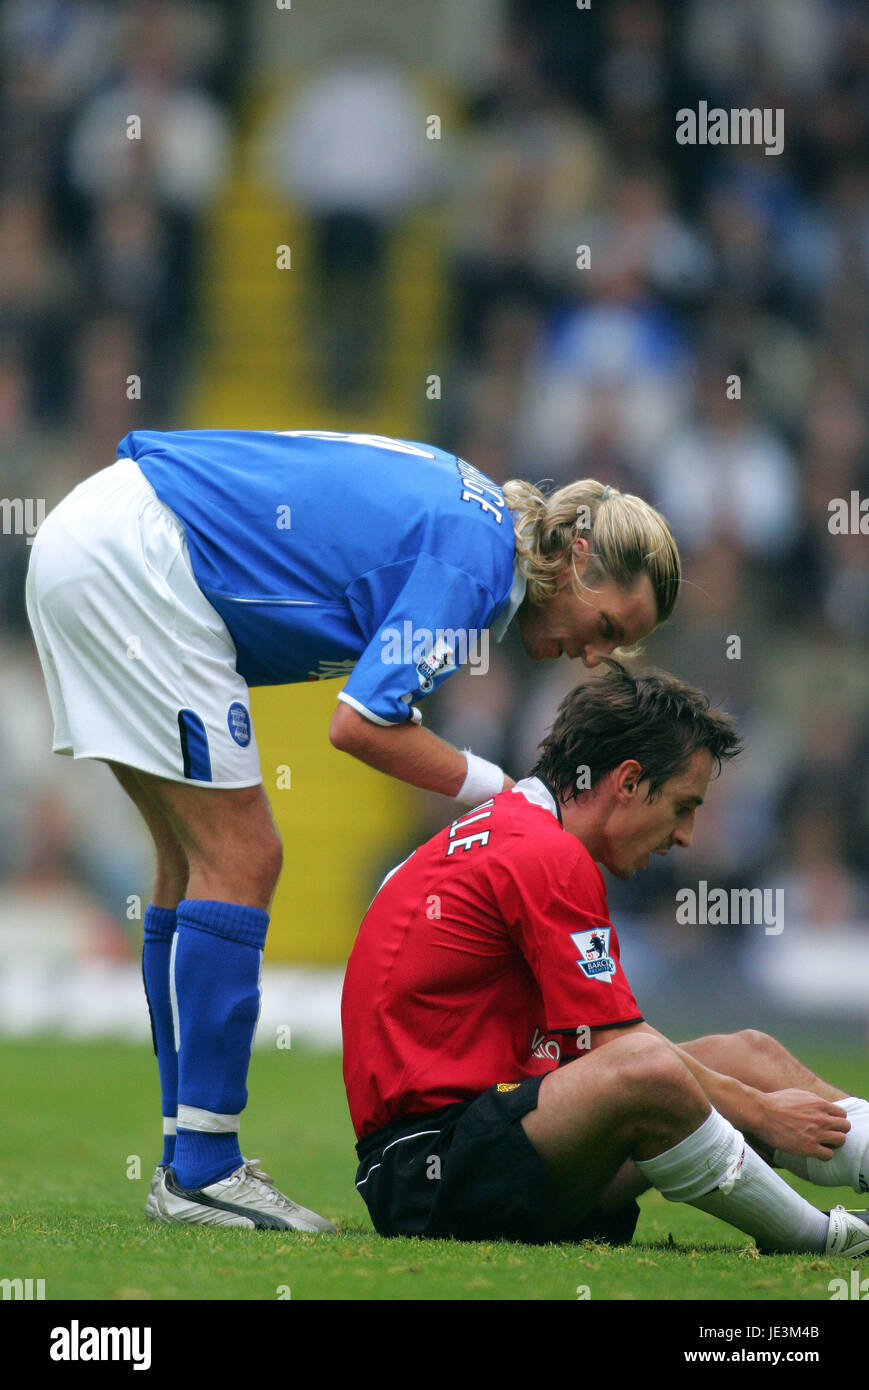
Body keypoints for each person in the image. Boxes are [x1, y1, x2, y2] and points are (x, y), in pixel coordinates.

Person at [24, 427, 680, 1231]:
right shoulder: (475, 562)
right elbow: (361, 724)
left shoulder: (471, 517)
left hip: (99, 534)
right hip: (139, 559)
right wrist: (503, 790)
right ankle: (203, 1171)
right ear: (578, 558)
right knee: (244, 855)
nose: (596, 656)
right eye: (609, 627)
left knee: (186, 861)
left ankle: (184, 1162)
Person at [342, 664, 869, 1256]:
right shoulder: (543, 851)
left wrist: (754, 1098)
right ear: (627, 781)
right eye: (682, 806)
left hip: (490, 1136)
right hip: (426, 1169)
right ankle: (821, 1239)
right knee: (647, 1067)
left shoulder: (516, 829)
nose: (686, 836)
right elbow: (617, 1046)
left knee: (747, 1053)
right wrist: (761, 1113)